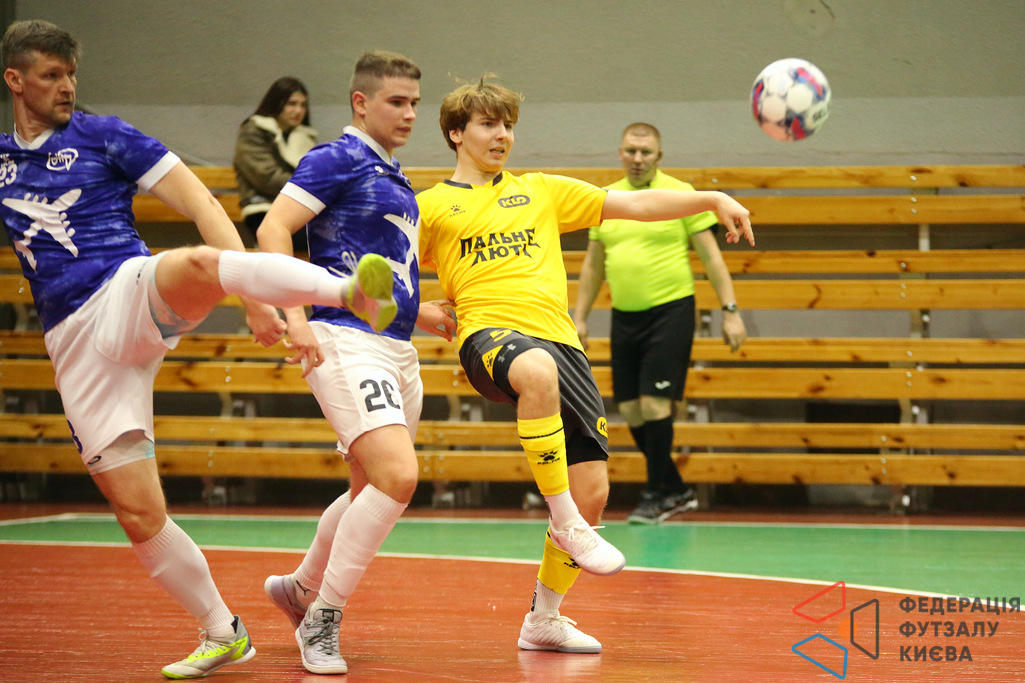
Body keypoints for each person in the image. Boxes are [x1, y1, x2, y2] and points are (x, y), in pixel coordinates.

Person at [0, 20, 396, 680]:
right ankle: (222, 630)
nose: (66, 86)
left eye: (70, 74)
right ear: (15, 80)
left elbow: (203, 202)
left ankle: (347, 290)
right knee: (138, 512)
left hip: (124, 288)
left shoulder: (105, 135)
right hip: (72, 341)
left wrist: (256, 299)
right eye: (50, 75)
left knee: (197, 262)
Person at [416, 77, 754, 654]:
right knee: (536, 372)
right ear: (455, 133)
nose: (503, 135)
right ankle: (565, 519)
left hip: (560, 344)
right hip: (490, 336)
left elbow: (637, 205)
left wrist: (710, 198)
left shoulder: (540, 190)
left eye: (508, 125)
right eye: (488, 124)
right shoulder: (429, 206)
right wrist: (416, 309)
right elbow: (383, 269)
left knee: (594, 491)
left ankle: (543, 618)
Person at [256, 50, 454, 676]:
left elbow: (377, 266)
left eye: (415, 102)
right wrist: (293, 319)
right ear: (361, 103)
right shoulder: (336, 158)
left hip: (396, 346)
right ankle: (322, 616)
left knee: (370, 488)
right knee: (398, 476)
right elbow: (272, 231)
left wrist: (418, 311)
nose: (410, 113)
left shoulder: (394, 174)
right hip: (342, 338)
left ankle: (299, 588)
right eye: (397, 101)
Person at [574, 122, 748, 524]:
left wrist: (730, 310)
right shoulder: (606, 200)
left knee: (655, 403)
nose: (638, 159)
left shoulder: (681, 195)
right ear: (620, 153)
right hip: (625, 316)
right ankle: (676, 489)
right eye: (631, 151)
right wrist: (579, 316)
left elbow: (711, 258)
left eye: (646, 152)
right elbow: (594, 265)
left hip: (671, 312)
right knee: (631, 409)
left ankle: (657, 495)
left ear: (659, 156)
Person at [233, 76, 318, 252]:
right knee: (318, 237)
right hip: (263, 210)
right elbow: (267, 177)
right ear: (276, 103)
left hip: (299, 211)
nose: (298, 111)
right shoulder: (254, 131)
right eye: (291, 104)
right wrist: (312, 186)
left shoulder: (306, 137)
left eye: (303, 105)